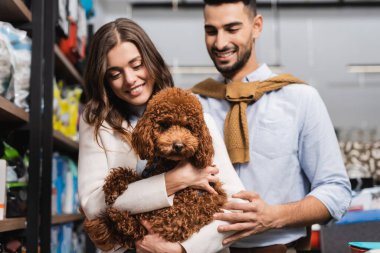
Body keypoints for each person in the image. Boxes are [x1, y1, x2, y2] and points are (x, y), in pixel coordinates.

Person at [190, 0, 352, 252]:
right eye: (211, 31)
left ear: (257, 26)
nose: (220, 43)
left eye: (232, 29)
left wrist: (274, 216)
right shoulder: (194, 104)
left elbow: (336, 191)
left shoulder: (300, 98)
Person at [78, 18, 245, 253]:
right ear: (104, 80)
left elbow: (235, 205)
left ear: (151, 60)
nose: (130, 79)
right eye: (115, 74)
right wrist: (173, 182)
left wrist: (181, 249)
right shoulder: (96, 125)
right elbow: (94, 206)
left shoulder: (197, 119)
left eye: (136, 65)